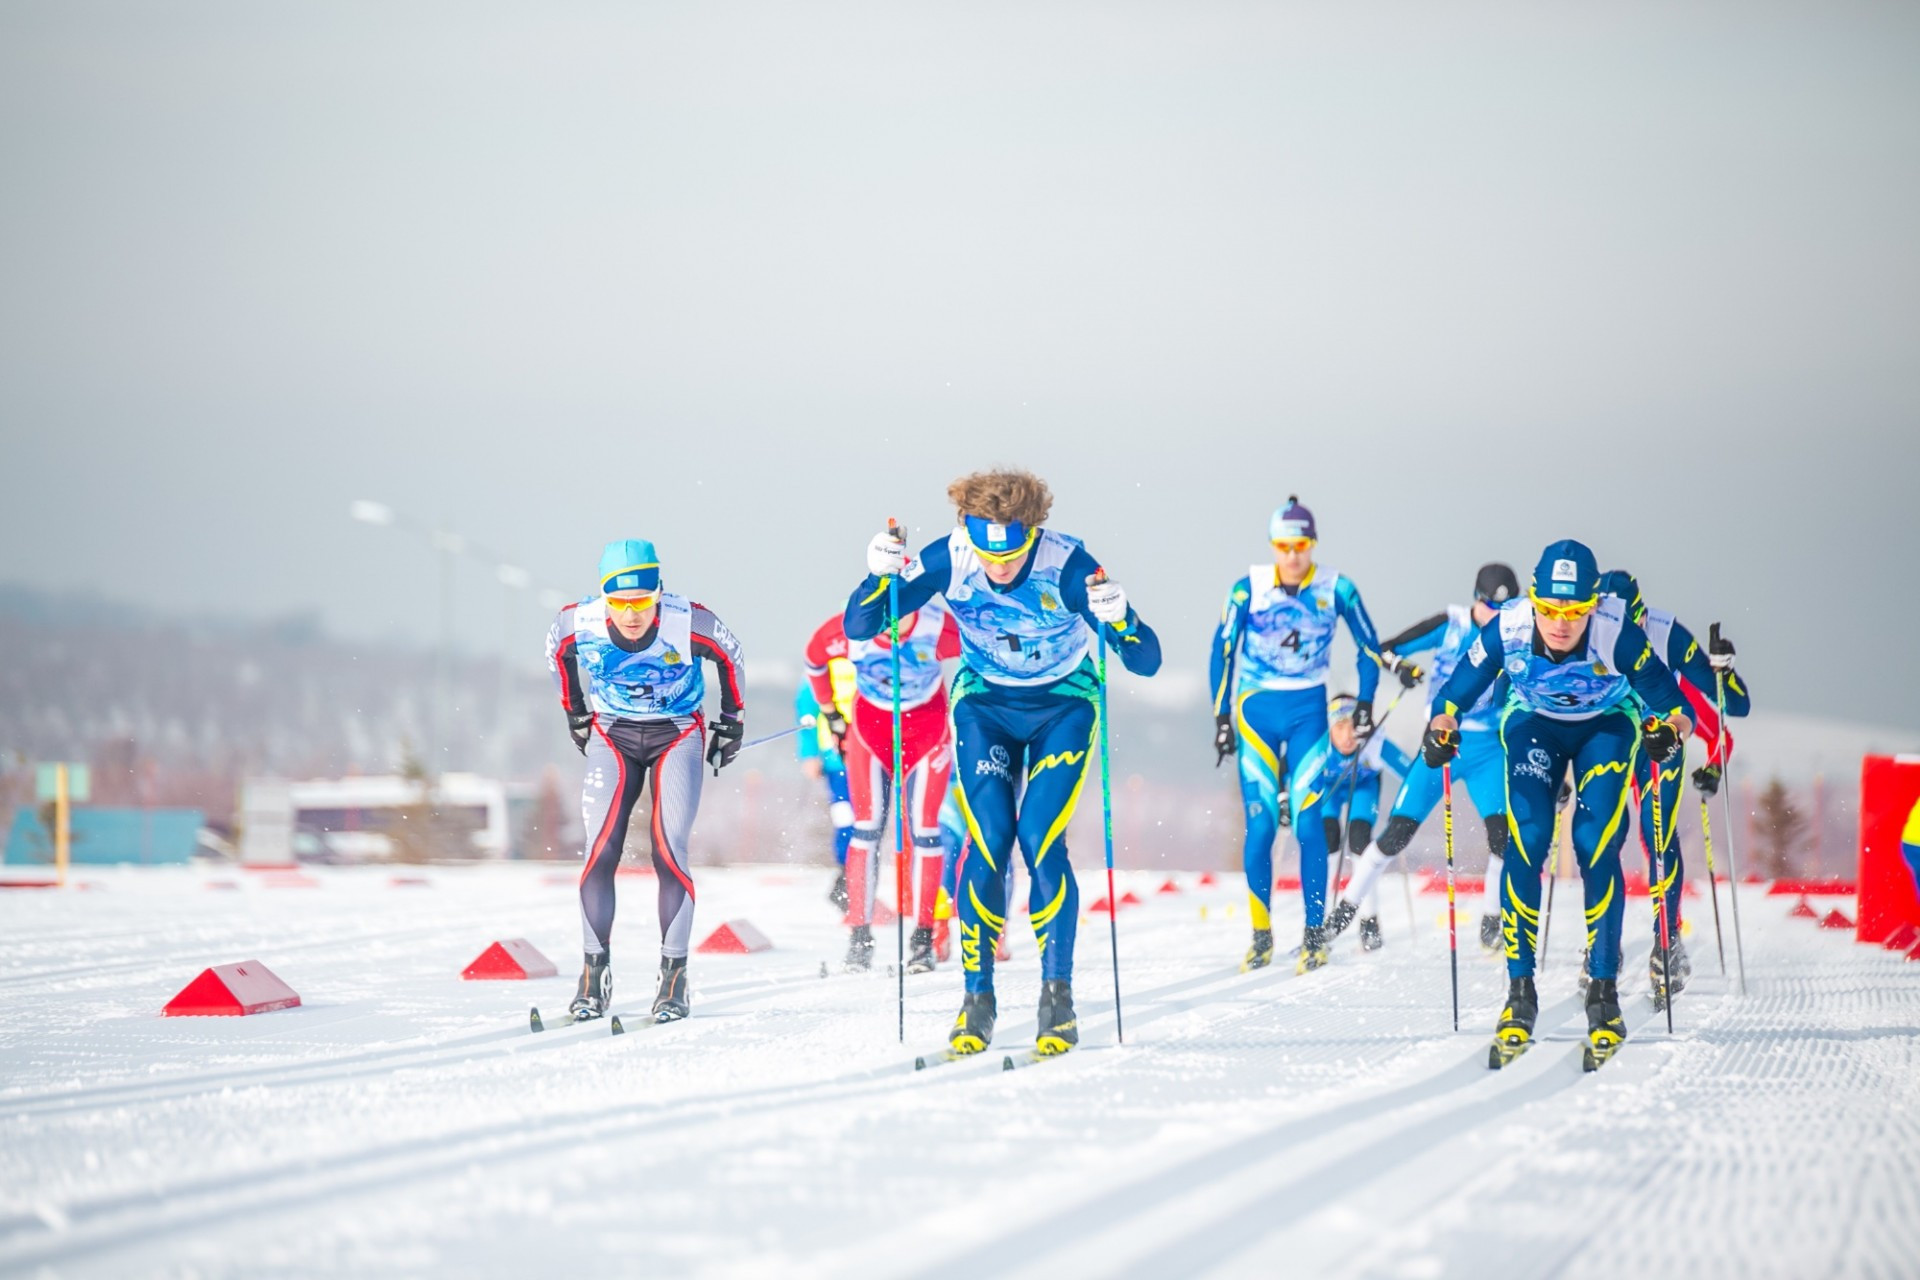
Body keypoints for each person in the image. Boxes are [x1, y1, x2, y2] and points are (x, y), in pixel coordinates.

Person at [845, 468, 1161, 1056]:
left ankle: (1056, 996)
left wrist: (1122, 619)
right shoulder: (949, 558)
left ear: (1032, 532)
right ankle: (977, 998)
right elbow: (860, 625)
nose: (1000, 569)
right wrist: (878, 574)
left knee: (1040, 839)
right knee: (989, 840)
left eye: (1013, 555)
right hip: (985, 706)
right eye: (991, 558)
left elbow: (1145, 663)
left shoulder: (1069, 566)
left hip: (1062, 705)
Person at [1422, 539, 1689, 1070]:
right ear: (1535, 601)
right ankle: (1520, 994)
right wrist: (1441, 730)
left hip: (1605, 727)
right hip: (1534, 723)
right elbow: (1452, 694)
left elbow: (1676, 709)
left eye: (1574, 613)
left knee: (1594, 844)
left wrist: (1670, 735)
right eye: (1550, 610)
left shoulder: (1617, 633)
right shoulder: (1511, 625)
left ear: (1594, 605)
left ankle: (1604, 993)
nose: (1561, 625)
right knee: (1529, 838)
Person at [544, 539, 746, 1023]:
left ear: (659, 592)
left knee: (668, 845)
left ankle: (674, 977)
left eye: (641, 601)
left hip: (677, 732)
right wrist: (575, 713)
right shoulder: (579, 622)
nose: (631, 614)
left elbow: (732, 658)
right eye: (619, 602)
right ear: (604, 597)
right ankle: (594, 975)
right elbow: (558, 656)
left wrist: (731, 721)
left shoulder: (689, 620)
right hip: (613, 733)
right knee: (600, 848)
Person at [1209, 496, 1401, 973]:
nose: (1293, 556)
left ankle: (1315, 933)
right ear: (1273, 546)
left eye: (1301, 546)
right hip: (1255, 709)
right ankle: (1260, 934)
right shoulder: (1246, 590)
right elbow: (1222, 651)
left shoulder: (1337, 589)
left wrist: (1364, 707)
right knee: (1262, 825)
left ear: (1313, 545)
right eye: (1284, 546)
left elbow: (1369, 648)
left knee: (1309, 821)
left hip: (1308, 711)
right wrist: (1221, 717)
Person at [1327, 564, 1521, 952]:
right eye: (1488, 607)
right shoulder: (1449, 624)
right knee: (1396, 833)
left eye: (1504, 609)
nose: (1495, 617)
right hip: (1442, 743)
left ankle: (1491, 916)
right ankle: (1345, 912)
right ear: (1475, 599)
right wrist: (1403, 668)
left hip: (1489, 749)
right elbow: (1381, 650)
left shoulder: (1519, 631)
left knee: (1503, 838)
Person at [1597, 570, 1752, 1005]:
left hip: (1660, 743)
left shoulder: (1667, 633)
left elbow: (1733, 706)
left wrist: (1725, 670)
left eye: (1637, 624)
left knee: (1657, 837)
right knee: (1603, 836)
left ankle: (1667, 941)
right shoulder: (1586, 629)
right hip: (1610, 741)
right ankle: (1599, 944)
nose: (1632, 636)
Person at [805, 597, 962, 973]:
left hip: (927, 733)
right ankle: (860, 940)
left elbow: (983, 645)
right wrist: (831, 715)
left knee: (925, 831)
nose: (893, 622)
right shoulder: (852, 626)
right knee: (866, 829)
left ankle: (922, 939)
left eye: (903, 609)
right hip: (871, 734)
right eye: (884, 612)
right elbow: (814, 659)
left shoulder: (938, 625)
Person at [1301, 694, 1413, 951]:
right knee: (1328, 838)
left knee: (1359, 841)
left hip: (1363, 787)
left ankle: (1369, 921)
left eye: (1352, 727)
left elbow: (1412, 773)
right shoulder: (1318, 743)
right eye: (1339, 727)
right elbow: (1293, 771)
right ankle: (1319, 923)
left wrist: (1405, 806)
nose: (1348, 736)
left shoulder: (1373, 742)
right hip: (1330, 788)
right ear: (1329, 727)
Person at [793, 679, 856, 910]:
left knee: (867, 821)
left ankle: (857, 875)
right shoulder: (824, 661)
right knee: (846, 817)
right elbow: (806, 710)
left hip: (871, 755)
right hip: (836, 759)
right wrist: (809, 754)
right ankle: (847, 875)